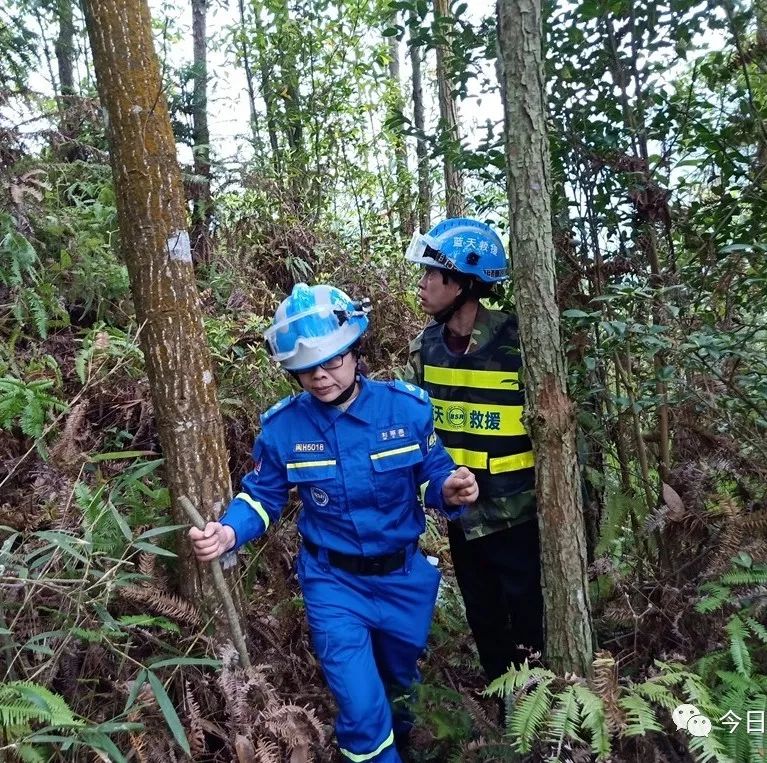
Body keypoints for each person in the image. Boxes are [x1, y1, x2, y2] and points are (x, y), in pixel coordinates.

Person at [189, 283, 478, 763]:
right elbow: (262, 495)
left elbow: (432, 473)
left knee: (400, 687)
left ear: (354, 350)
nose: (320, 377)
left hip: (405, 580)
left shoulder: (405, 409)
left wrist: (450, 488)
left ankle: (397, 739)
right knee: (362, 708)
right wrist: (229, 531)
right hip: (333, 585)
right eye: (306, 370)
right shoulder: (283, 428)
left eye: (332, 362)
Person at [402, 218, 544, 685]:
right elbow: (421, 435)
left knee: (528, 614)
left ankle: (541, 704)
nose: (422, 286)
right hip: (463, 512)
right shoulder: (424, 349)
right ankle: (500, 699)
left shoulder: (519, 343)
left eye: (431, 276)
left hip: (517, 511)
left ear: (462, 282)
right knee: (482, 614)